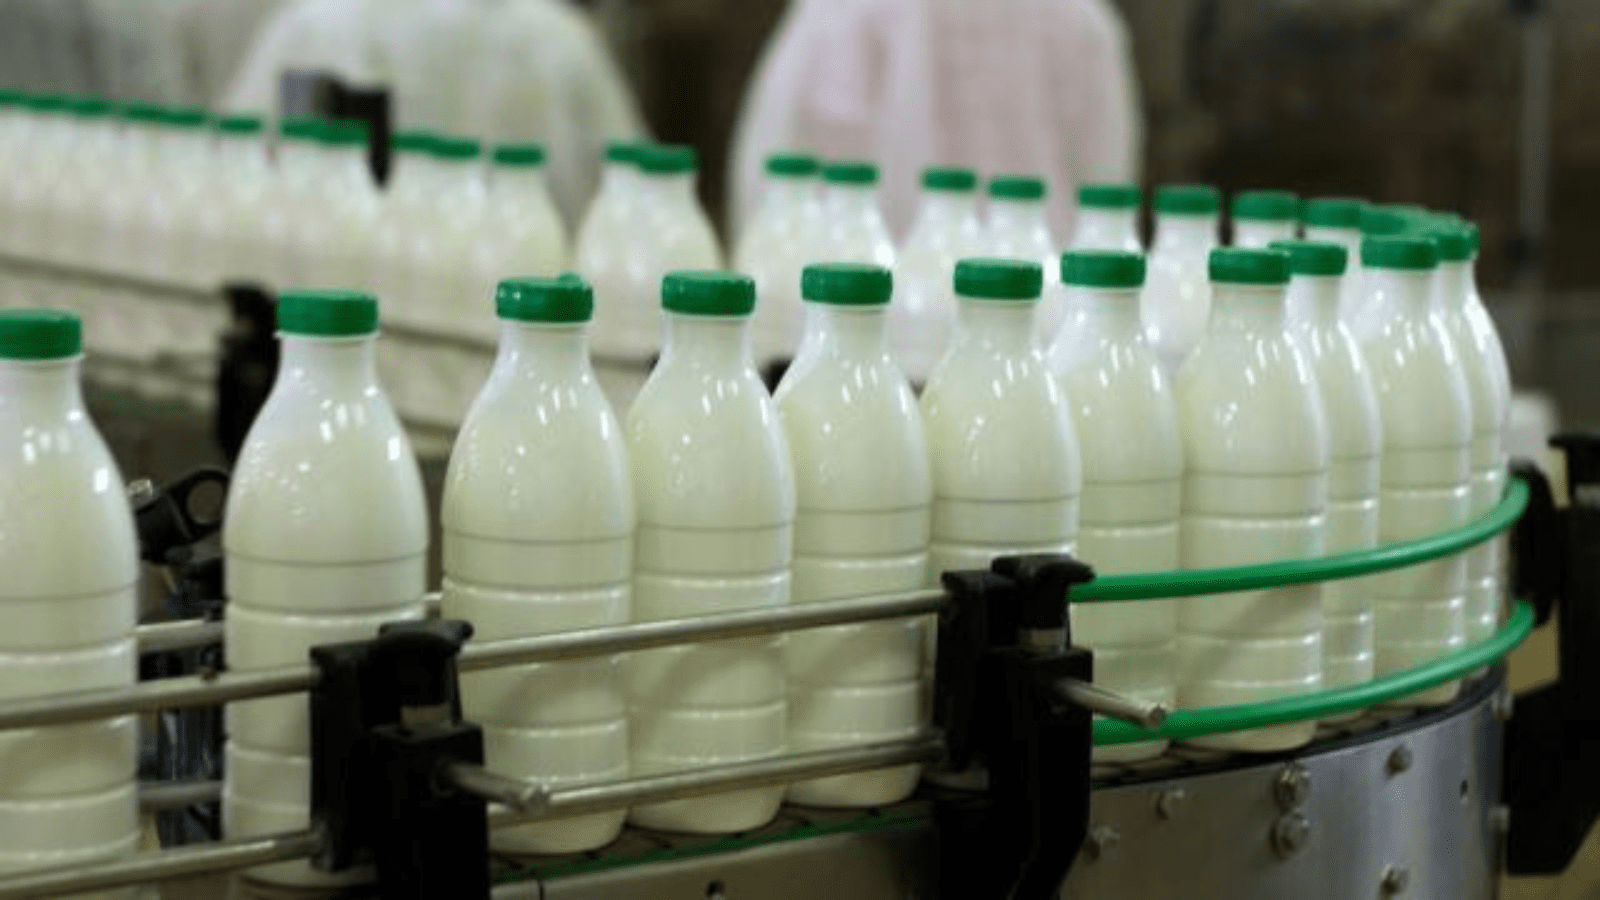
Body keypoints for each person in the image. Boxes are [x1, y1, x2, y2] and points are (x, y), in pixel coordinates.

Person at [728, 0, 1143, 242]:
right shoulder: (1082, 18)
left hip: (874, 320)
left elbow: (773, 192)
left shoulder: (845, 14)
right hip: (1043, 319)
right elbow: (1107, 192)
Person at [221, 0, 646, 226]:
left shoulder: (314, 22)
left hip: (337, 326)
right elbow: (642, 207)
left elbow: (227, 179)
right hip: (527, 330)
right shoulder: (558, 38)